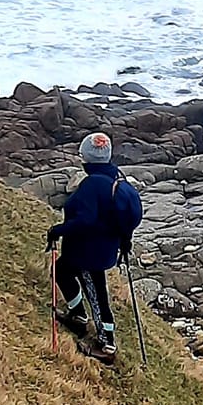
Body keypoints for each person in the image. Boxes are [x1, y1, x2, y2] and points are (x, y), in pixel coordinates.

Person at [45, 132, 143, 365]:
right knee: (61, 270)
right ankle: (78, 316)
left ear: (86, 159)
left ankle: (107, 345)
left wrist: (58, 230)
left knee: (97, 296)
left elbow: (86, 221)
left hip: (89, 252)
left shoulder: (92, 184)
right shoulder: (116, 177)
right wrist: (124, 243)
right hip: (103, 246)